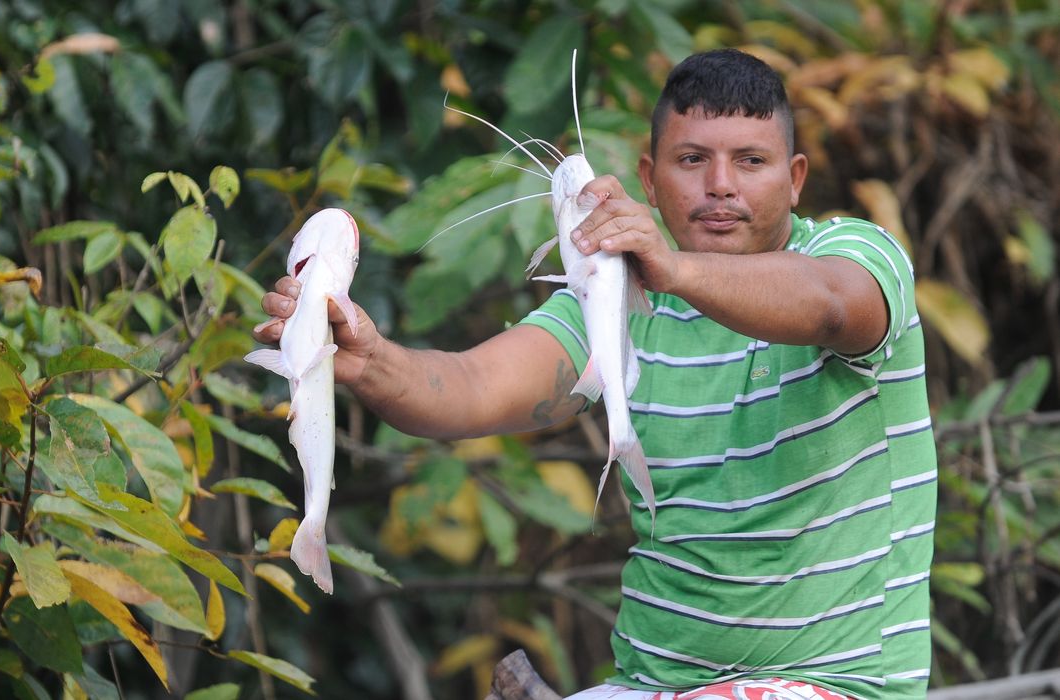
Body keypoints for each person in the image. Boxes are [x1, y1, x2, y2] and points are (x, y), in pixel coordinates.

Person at [253, 49, 935, 700]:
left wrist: (676, 269)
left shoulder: (855, 254)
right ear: (649, 177)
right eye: (692, 160)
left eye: (750, 161)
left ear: (794, 179)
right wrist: (372, 361)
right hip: (648, 684)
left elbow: (830, 305)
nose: (720, 185)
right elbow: (472, 388)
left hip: (833, 685)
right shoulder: (612, 298)